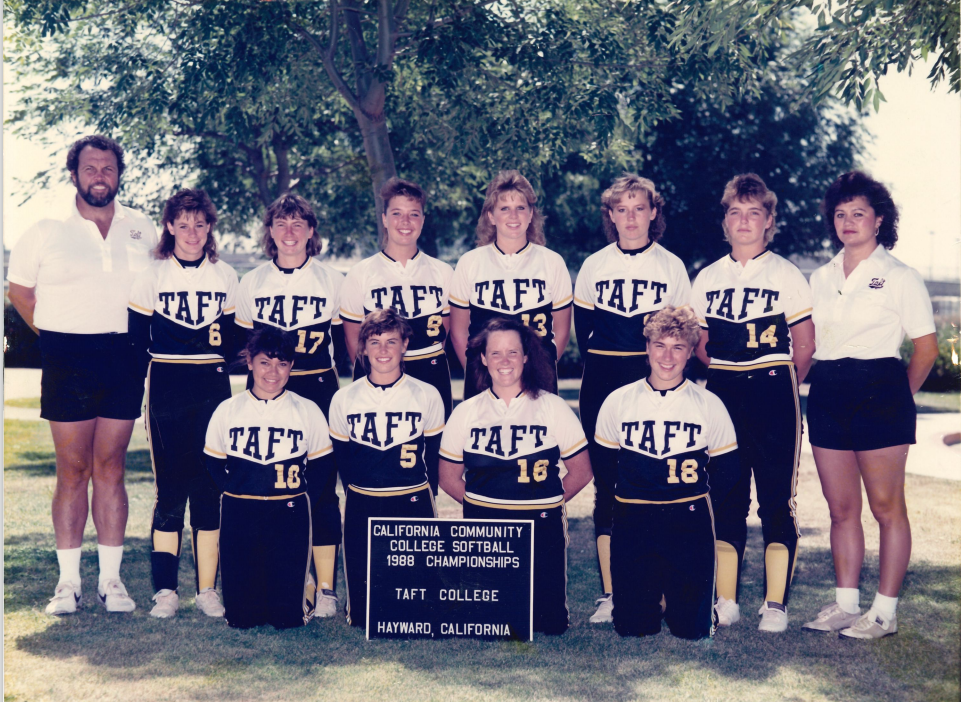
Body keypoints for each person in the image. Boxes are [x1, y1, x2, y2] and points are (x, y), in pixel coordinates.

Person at [7, 135, 158, 615]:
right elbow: (20, 292)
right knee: (73, 470)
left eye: (108, 168)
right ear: (74, 174)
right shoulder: (45, 230)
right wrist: (54, 337)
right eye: (90, 167)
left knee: (111, 468)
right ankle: (68, 583)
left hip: (124, 355)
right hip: (67, 356)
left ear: (119, 174)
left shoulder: (143, 228)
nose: (99, 176)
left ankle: (111, 582)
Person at [802, 171, 938, 640]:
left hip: (881, 391)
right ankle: (845, 605)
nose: (848, 221)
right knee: (841, 508)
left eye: (858, 213)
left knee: (886, 506)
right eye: (840, 214)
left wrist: (898, 395)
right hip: (827, 392)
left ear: (879, 220)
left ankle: (884, 612)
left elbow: (925, 348)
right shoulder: (818, 278)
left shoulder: (900, 276)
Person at [690, 173, 815, 633]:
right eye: (735, 213)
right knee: (726, 496)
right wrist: (730, 373)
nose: (744, 221)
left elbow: (804, 345)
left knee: (776, 500)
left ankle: (775, 604)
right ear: (725, 222)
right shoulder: (706, 277)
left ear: (769, 222)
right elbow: (701, 344)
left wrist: (771, 381)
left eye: (754, 213)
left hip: (772, 389)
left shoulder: (785, 273)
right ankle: (727, 599)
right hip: (724, 390)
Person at [574, 173, 692, 624]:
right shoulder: (593, 265)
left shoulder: (671, 266)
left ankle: (658, 588)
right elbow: (585, 333)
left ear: (653, 212)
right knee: (609, 487)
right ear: (610, 215)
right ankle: (611, 592)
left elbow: (682, 333)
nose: (630, 216)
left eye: (639, 207)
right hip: (603, 379)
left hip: (652, 379)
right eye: (620, 209)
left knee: (656, 483)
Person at [439, 318, 593, 635]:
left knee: (548, 625)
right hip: (486, 527)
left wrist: (545, 503)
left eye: (513, 352)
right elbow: (448, 477)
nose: (505, 361)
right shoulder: (466, 412)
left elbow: (581, 471)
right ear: (482, 358)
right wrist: (483, 507)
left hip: (540, 524)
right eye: (495, 353)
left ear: (526, 356)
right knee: (488, 623)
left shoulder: (552, 407)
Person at [593, 306, 739, 639]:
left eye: (678, 347)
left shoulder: (708, 403)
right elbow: (604, 468)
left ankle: (692, 602)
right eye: (660, 345)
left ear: (690, 352)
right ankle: (653, 597)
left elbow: (727, 470)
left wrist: (693, 503)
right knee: (633, 628)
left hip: (688, 520)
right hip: (634, 518)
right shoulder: (619, 401)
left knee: (691, 630)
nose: (667, 356)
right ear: (647, 347)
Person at [127, 188, 238, 618]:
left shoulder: (225, 274)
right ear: (169, 226)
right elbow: (138, 342)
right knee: (171, 490)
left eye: (200, 223)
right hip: (167, 381)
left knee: (210, 488)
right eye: (183, 223)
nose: (191, 232)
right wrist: (139, 396)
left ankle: (206, 589)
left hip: (211, 382)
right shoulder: (153, 273)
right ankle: (166, 590)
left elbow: (232, 342)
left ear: (209, 227)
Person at [234, 193, 345, 617]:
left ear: (312, 231)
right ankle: (271, 577)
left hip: (318, 387)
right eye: (281, 223)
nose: (290, 232)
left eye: (299, 223)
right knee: (264, 485)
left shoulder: (333, 280)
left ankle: (327, 589)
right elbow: (244, 346)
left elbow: (345, 345)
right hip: (265, 393)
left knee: (320, 490)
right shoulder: (252, 283)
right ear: (270, 232)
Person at [204, 328, 335, 629]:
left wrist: (300, 503)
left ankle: (307, 586)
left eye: (282, 364)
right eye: (265, 362)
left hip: (288, 515)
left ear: (291, 367)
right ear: (249, 362)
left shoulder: (307, 410)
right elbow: (212, 462)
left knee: (287, 620)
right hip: (241, 513)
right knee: (241, 619)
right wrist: (237, 491)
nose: (273, 372)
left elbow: (322, 466)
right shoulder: (228, 410)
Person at [327, 308, 446, 628]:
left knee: (422, 610)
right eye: (375, 342)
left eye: (391, 341)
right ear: (362, 347)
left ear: (405, 345)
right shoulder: (343, 399)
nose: (382, 350)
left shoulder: (427, 394)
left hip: (413, 498)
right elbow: (343, 459)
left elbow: (432, 458)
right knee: (365, 616)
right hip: (363, 500)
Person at [449, 170, 573, 400]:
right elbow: (458, 332)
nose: (513, 216)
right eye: (504, 208)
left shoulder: (552, 262)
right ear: (491, 216)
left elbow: (562, 331)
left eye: (520, 208)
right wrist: (479, 370)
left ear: (531, 214)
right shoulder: (470, 262)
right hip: (483, 377)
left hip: (539, 377)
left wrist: (540, 367)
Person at [340, 177, 455, 417]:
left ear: (423, 220)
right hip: (378, 373)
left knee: (433, 448)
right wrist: (376, 372)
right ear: (384, 219)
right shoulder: (360, 274)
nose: (405, 222)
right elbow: (354, 340)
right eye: (396, 213)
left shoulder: (443, 273)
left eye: (414, 214)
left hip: (431, 372)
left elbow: (444, 332)